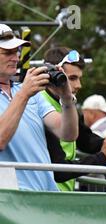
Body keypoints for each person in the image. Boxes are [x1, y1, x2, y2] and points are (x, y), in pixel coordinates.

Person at [42, 47, 106, 191]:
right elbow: (58, 170)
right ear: (52, 75)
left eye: (80, 78)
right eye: (72, 78)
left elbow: (85, 139)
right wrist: (102, 157)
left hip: (59, 195)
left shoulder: (65, 103)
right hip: (44, 196)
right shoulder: (40, 106)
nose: (79, 85)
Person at [0, 24, 78, 191]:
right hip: (11, 201)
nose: (15, 57)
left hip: (45, 196)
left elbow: (68, 134)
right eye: (7, 52)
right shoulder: (26, 92)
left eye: (16, 51)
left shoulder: (28, 91)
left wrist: (66, 97)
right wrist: (24, 94)